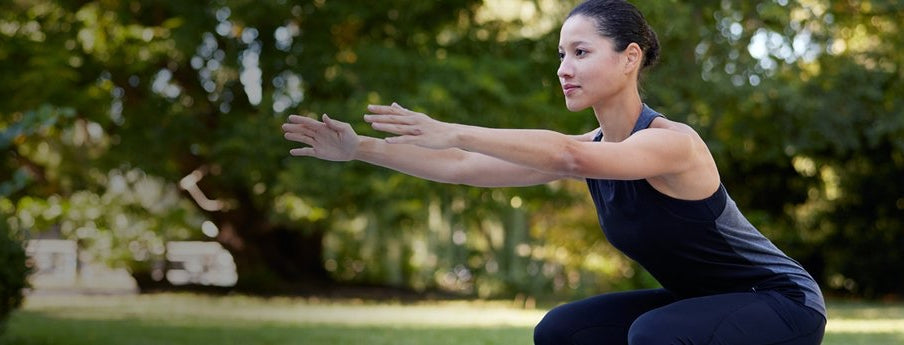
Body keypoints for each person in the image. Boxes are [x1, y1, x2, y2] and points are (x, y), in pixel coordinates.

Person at [281, 0, 827, 343]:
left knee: (656, 334)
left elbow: (568, 158)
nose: (564, 69)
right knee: (564, 331)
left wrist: (454, 127)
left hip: (779, 302)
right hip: (701, 303)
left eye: (581, 52)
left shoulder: (673, 144)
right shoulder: (589, 144)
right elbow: (464, 165)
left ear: (630, 57)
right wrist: (360, 149)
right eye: (560, 54)